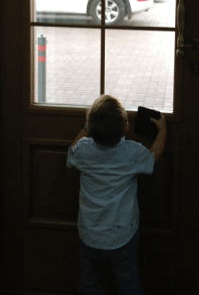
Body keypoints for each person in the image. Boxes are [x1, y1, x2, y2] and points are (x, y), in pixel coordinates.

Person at [67, 94, 167, 295]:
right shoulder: (132, 152)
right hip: (122, 236)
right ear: (126, 127)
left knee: (89, 283)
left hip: (89, 234)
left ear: (91, 127)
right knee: (128, 282)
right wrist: (162, 131)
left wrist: (86, 127)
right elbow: (153, 157)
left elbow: (71, 152)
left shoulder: (84, 150)